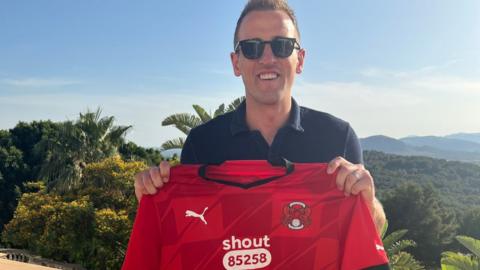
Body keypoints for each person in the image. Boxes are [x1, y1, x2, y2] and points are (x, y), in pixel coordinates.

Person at [134, 0, 386, 234]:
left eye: (282, 45)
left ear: (299, 60)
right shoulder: (202, 142)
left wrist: (368, 202)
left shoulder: (337, 137)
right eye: (252, 48)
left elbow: (366, 236)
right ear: (236, 63)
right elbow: (187, 232)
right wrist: (153, 197)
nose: (268, 59)